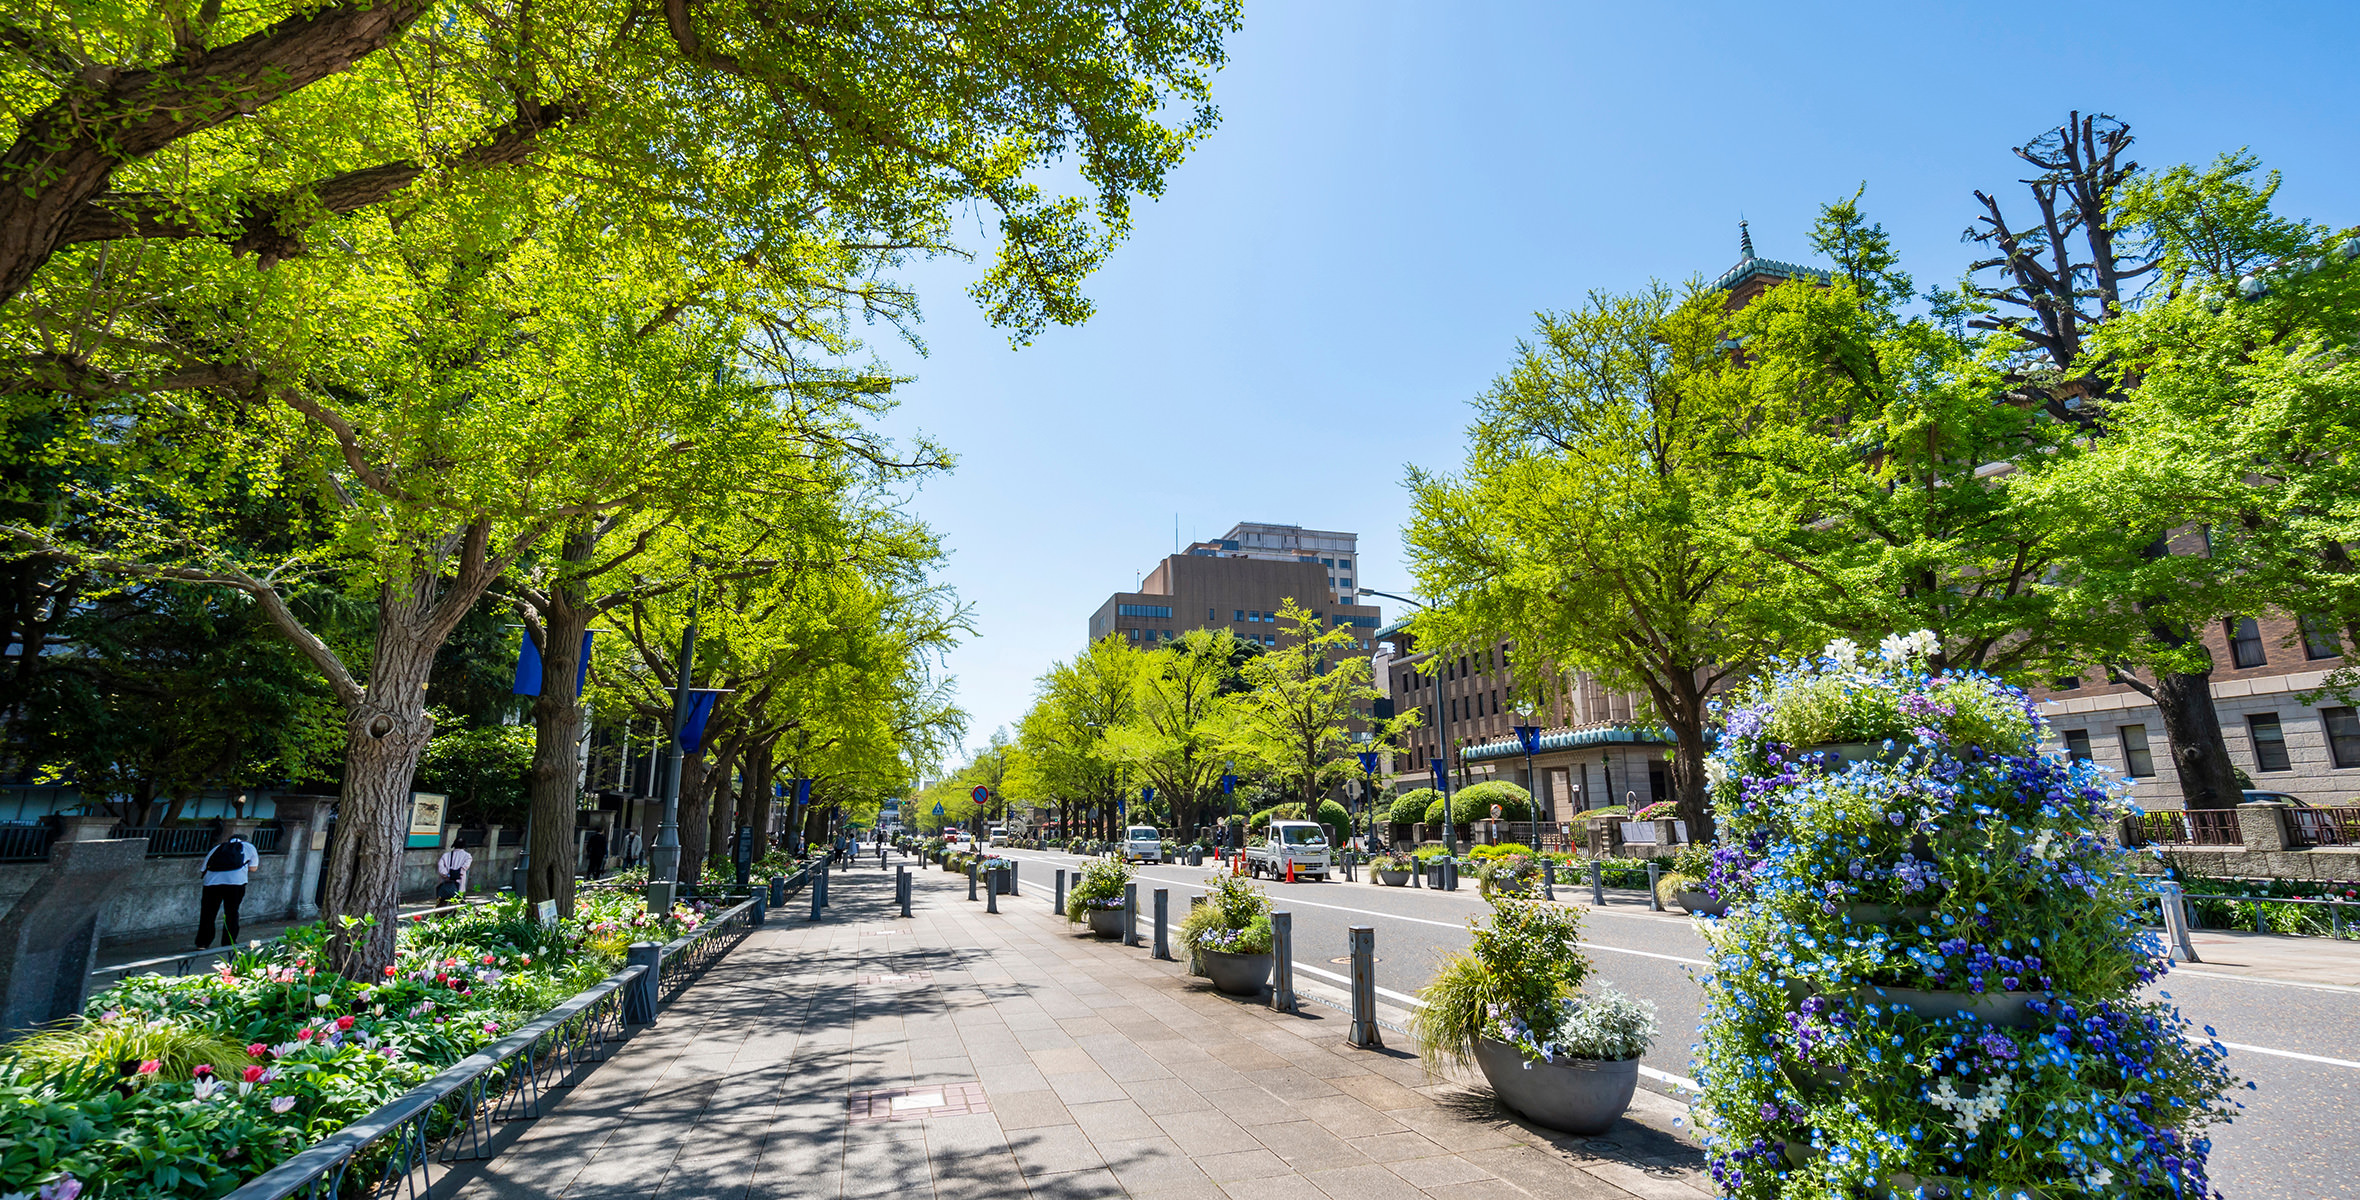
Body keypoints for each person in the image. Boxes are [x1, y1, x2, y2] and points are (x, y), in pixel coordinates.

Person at [196, 833, 260, 949]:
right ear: (244, 840)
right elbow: (253, 868)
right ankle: (229, 942)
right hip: (236, 883)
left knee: (208, 913)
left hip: (212, 883)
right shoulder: (249, 847)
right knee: (231, 912)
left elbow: (204, 868)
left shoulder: (218, 848)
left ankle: (203, 942)